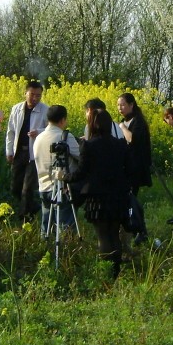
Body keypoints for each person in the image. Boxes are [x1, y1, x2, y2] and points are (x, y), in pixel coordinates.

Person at [59, 108, 132, 277]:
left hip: (97, 196)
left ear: (93, 125)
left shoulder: (89, 145)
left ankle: (106, 273)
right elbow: (130, 170)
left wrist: (65, 177)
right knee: (114, 233)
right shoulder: (120, 144)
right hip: (118, 195)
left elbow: (81, 173)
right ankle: (116, 271)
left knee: (103, 235)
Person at [33, 104, 80, 237]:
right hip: (62, 188)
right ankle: (66, 254)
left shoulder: (38, 138)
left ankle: (45, 252)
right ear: (63, 120)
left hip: (44, 187)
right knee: (66, 228)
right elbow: (80, 156)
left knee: (47, 226)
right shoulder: (64, 137)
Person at [5, 80, 49, 223]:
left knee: (27, 189)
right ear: (25, 93)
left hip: (34, 155)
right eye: (32, 95)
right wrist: (9, 151)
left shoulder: (45, 110)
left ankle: (24, 220)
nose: (35, 98)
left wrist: (39, 132)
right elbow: (10, 132)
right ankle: (34, 207)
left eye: (38, 95)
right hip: (19, 152)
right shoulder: (16, 109)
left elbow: (51, 130)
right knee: (15, 188)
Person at [117, 92, 152, 244]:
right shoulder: (125, 121)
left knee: (130, 200)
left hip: (135, 169)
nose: (120, 108)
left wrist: (122, 127)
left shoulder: (138, 122)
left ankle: (139, 230)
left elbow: (133, 139)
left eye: (123, 105)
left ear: (132, 105)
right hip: (126, 168)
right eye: (118, 105)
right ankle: (137, 230)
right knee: (130, 200)